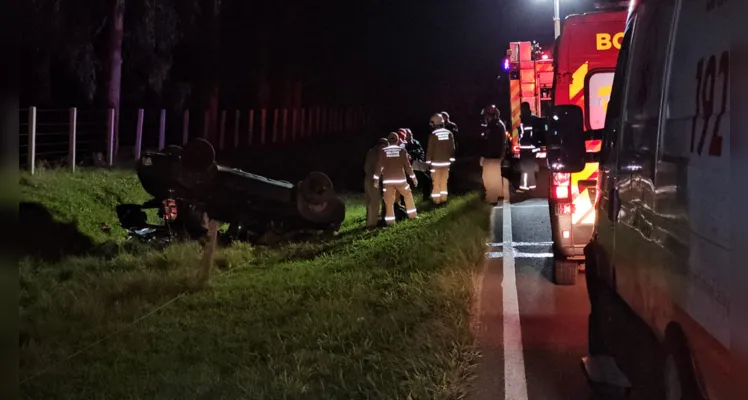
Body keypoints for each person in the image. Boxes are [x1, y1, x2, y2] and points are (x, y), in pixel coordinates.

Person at [373, 132, 418, 225]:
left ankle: (390, 221)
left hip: (388, 181)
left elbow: (379, 167)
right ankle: (413, 215)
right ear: (397, 140)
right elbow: (407, 166)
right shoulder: (402, 151)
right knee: (408, 196)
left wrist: (376, 180)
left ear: (388, 140)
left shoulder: (383, 151)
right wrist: (413, 177)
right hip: (400, 180)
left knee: (388, 201)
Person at [479, 108, 509, 203]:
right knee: (495, 176)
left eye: (487, 116)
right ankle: (499, 194)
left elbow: (489, 143)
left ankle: (492, 198)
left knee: (488, 178)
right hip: (496, 156)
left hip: (491, 157)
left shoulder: (493, 126)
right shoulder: (499, 125)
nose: (485, 118)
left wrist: (484, 155)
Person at [425, 113, 456, 205]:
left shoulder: (433, 135)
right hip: (446, 163)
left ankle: (436, 200)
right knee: (444, 181)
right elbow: (452, 148)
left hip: (435, 164)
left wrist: (428, 162)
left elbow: (430, 149)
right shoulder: (449, 133)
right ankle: (444, 199)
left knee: (436, 182)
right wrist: (451, 159)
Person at [364, 138, 388, 229]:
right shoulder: (382, 151)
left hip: (367, 177)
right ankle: (372, 225)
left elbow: (366, 166)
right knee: (375, 202)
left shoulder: (371, 151)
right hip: (375, 178)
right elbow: (381, 166)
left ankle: (369, 221)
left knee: (369, 201)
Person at [402, 128, 431, 201]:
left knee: (427, 179)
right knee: (405, 183)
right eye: (408, 135)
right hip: (408, 166)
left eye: (410, 134)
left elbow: (421, 151)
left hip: (417, 165)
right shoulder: (403, 144)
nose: (410, 136)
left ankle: (426, 197)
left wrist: (420, 157)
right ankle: (404, 201)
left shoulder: (416, 142)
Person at [517, 102, 540, 191]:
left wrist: (520, 139)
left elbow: (523, 135)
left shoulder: (525, 120)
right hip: (533, 148)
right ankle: (532, 186)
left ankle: (524, 187)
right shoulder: (534, 119)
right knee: (530, 167)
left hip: (526, 148)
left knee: (525, 169)